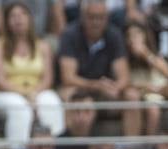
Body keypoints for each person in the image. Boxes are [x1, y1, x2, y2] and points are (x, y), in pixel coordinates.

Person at [0, 1, 65, 148]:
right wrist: (26, 94)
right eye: (13, 16)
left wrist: (34, 93)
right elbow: (0, 81)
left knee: (51, 101)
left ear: (30, 19)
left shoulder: (43, 45)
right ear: (6, 21)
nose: (18, 19)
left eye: (22, 15)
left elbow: (48, 79)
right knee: (20, 106)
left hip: (37, 91)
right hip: (5, 93)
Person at [57, 0, 133, 134]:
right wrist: (95, 85)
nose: (96, 22)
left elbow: (124, 77)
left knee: (132, 95)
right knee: (67, 94)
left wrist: (115, 88)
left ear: (107, 17)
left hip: (105, 89)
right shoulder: (70, 34)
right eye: (92, 17)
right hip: (80, 88)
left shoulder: (114, 35)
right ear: (83, 17)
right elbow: (68, 77)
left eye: (100, 17)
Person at [123, 21, 168, 134]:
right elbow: (125, 83)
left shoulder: (152, 54)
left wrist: (145, 54)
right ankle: (149, 148)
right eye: (130, 35)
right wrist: (146, 88)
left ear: (145, 35)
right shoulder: (123, 59)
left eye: (138, 34)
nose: (134, 38)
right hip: (140, 94)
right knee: (153, 111)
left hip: (159, 90)